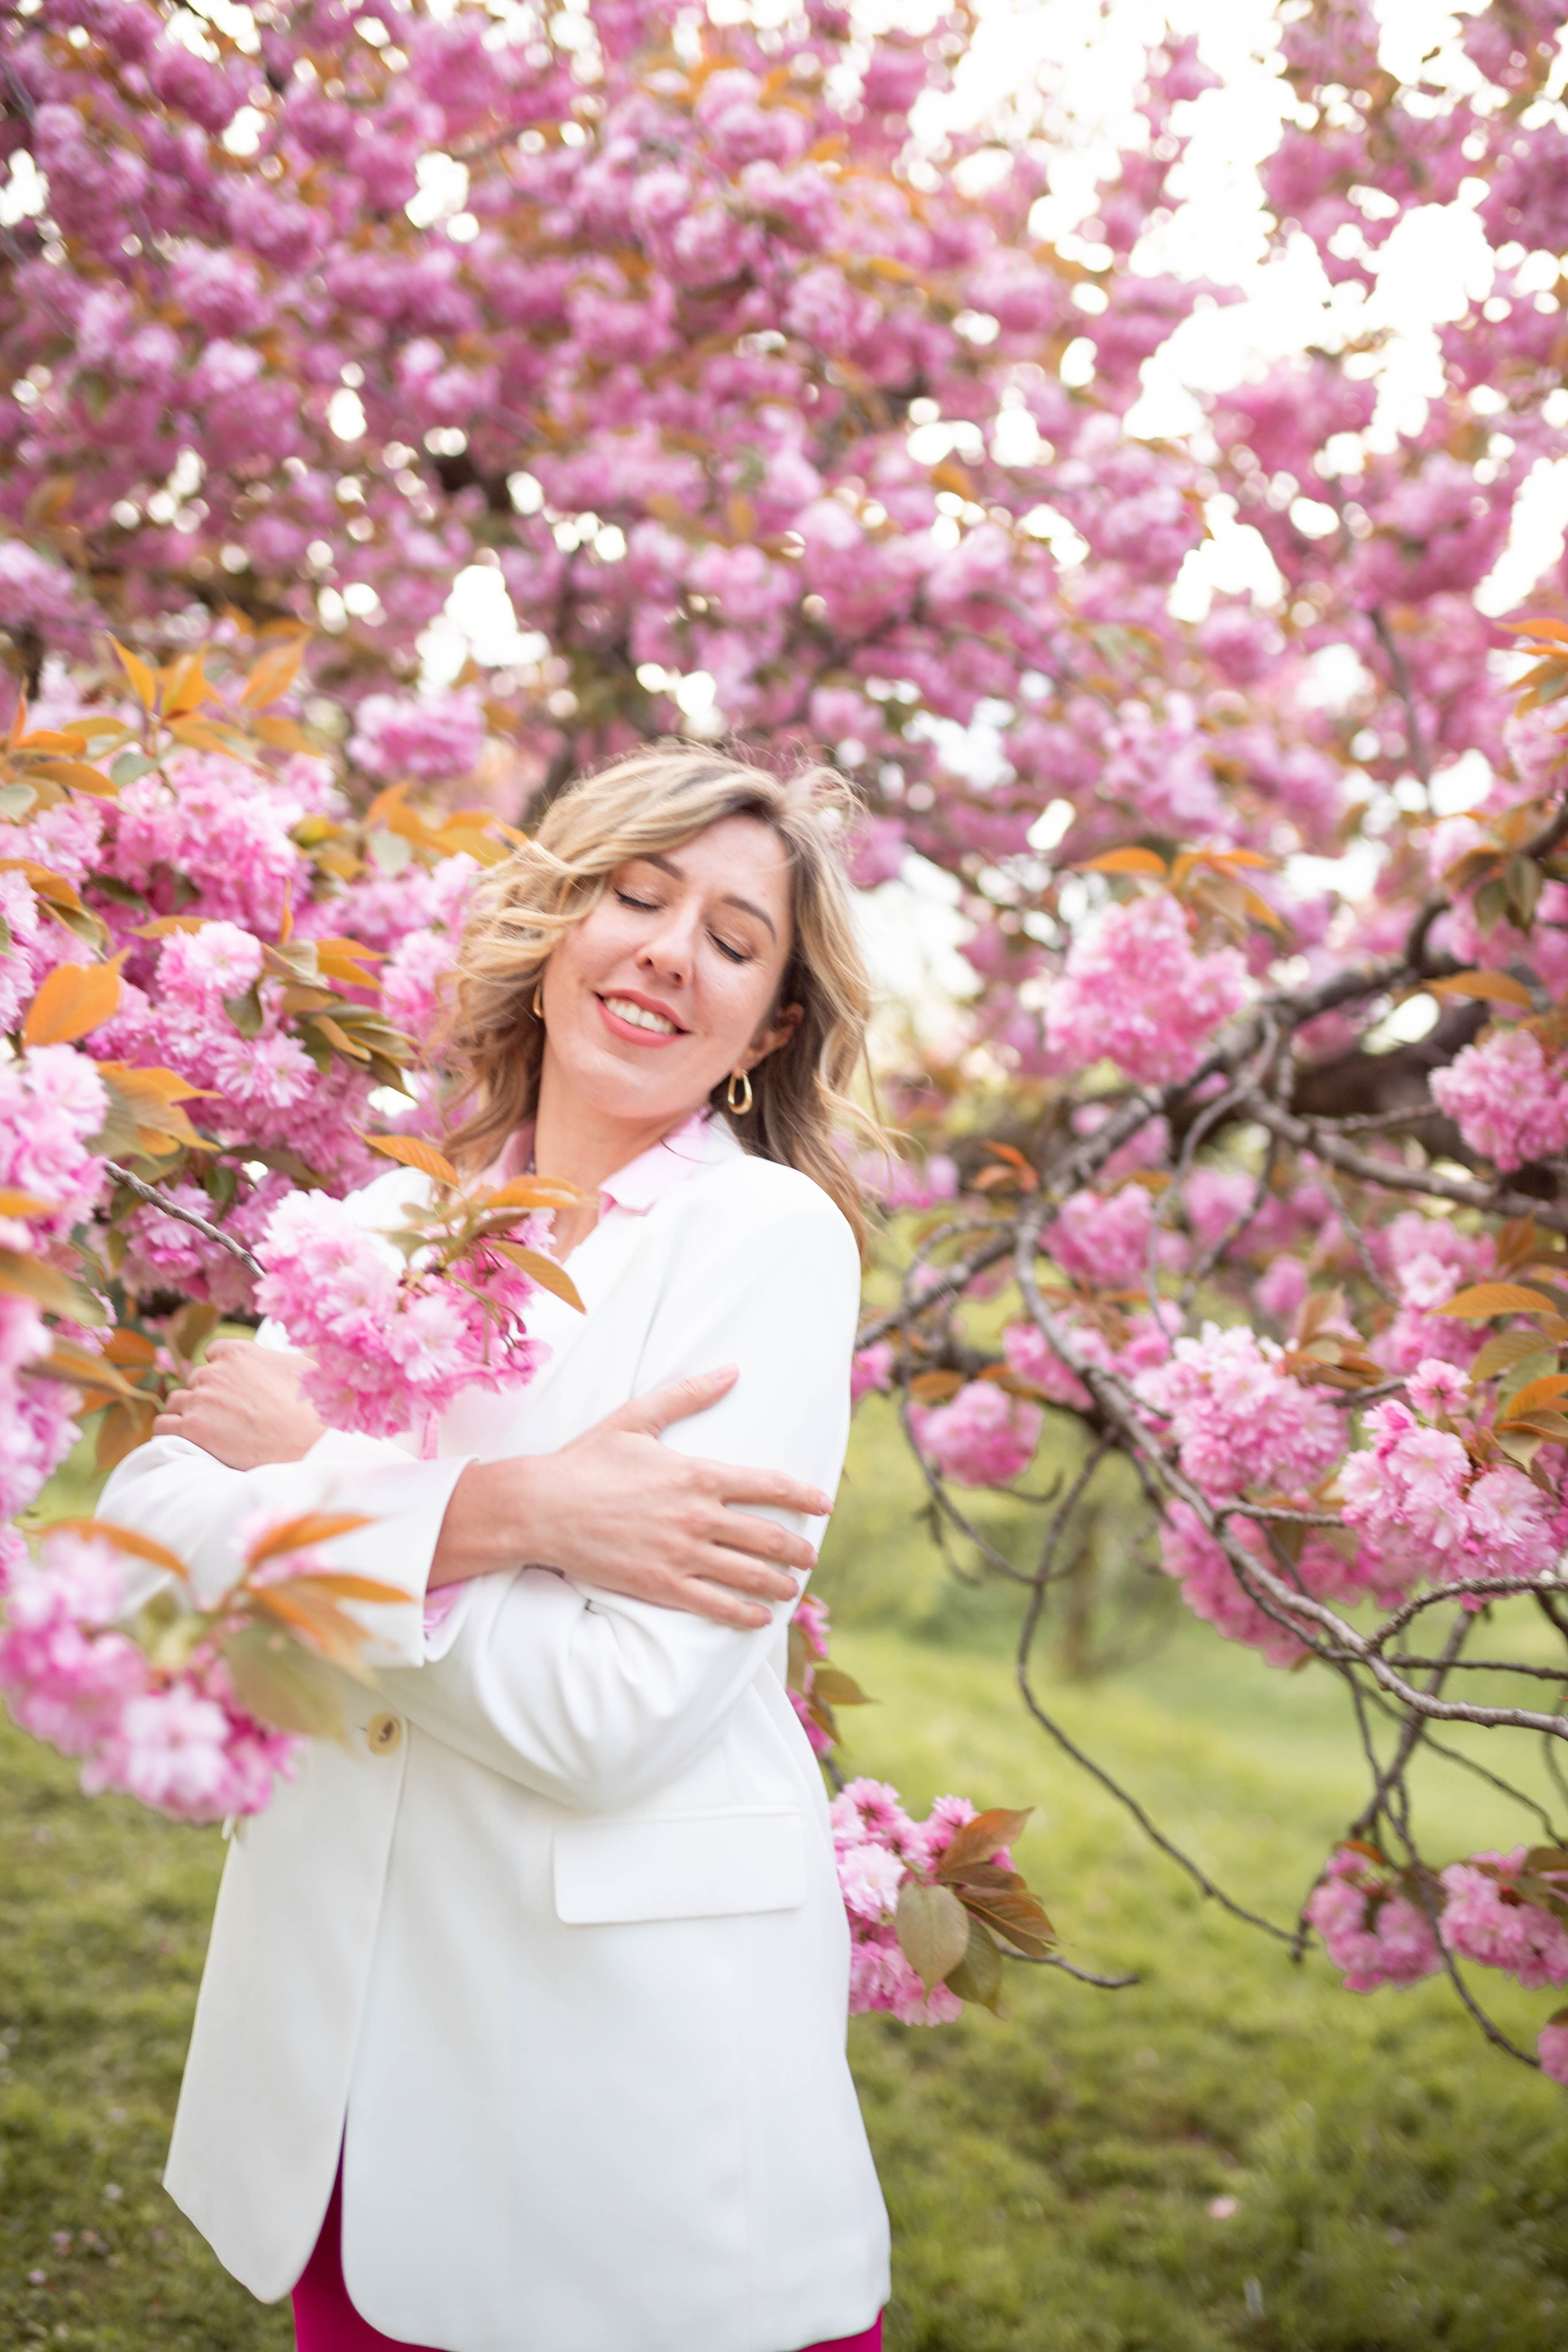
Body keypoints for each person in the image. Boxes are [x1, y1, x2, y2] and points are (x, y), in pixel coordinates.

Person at [97, 746, 892, 2352]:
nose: (671, 951)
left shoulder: (769, 1245)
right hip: (347, 2045)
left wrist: (311, 1493)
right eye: (638, 895)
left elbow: (606, 1718)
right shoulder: (389, 1228)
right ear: (558, 925)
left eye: (735, 941)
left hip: (619, 2086)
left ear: (773, 1026)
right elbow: (146, 1536)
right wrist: (513, 1520)